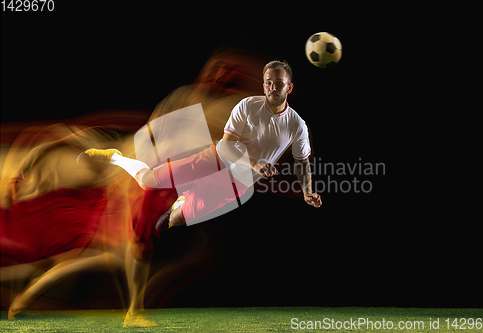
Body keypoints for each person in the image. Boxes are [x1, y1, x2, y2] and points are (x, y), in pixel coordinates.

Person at [80, 60, 322, 326]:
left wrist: (307, 190)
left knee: (176, 220)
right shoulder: (246, 107)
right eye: (268, 82)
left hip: (235, 185)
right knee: (147, 180)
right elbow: (228, 147)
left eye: (279, 83)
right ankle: (116, 159)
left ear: (289, 87)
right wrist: (254, 164)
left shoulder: (297, 126)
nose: (273, 87)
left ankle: (181, 201)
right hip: (213, 159)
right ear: (264, 84)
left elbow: (303, 162)